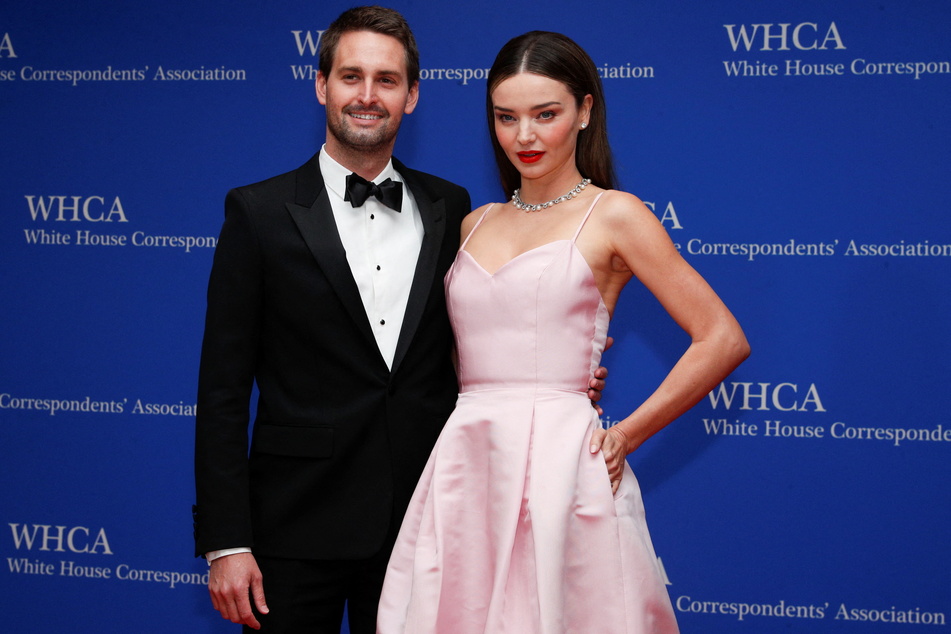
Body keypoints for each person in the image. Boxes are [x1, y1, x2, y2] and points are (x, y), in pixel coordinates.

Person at [193, 10, 606, 634]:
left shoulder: (454, 209)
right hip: (294, 526)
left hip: (428, 521)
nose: (367, 95)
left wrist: (544, 374)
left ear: (411, 96)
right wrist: (227, 541)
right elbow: (221, 391)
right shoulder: (258, 212)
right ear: (320, 85)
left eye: (387, 80)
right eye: (351, 76)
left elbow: (466, 342)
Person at [377, 31, 750, 633]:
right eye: (507, 117)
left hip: (562, 468)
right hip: (466, 466)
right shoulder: (475, 222)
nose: (524, 136)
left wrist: (626, 433)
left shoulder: (616, 214)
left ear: (585, 111)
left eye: (545, 114)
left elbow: (722, 337)